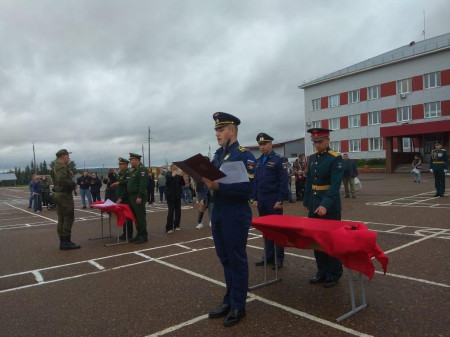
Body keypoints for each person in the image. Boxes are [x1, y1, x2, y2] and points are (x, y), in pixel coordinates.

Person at [201, 112, 255, 327]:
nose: (217, 133)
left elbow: (248, 188)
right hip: (219, 211)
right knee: (225, 259)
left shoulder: (244, 155)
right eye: (216, 130)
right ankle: (229, 300)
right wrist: (206, 197)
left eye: (221, 129)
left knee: (236, 259)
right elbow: (211, 180)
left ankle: (238, 305)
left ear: (232, 131)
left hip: (236, 213)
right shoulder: (218, 154)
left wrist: (218, 187)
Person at [303, 128, 344, 288]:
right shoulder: (312, 158)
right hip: (314, 204)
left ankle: (334, 273)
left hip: (330, 207)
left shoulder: (335, 158)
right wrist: (307, 202)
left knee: (330, 242)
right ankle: (322, 271)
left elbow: (335, 185)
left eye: (320, 141)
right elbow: (309, 181)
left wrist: (325, 205)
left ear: (328, 140)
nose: (317, 145)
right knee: (316, 241)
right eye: (315, 142)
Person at [252, 133, 288, 270]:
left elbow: (283, 181)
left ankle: (279, 258)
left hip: (274, 200)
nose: (262, 147)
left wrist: (280, 199)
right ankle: (268, 256)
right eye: (260, 145)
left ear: (271, 144)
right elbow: (256, 181)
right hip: (262, 200)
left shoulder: (279, 160)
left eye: (265, 144)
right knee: (266, 230)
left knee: (277, 230)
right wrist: (255, 198)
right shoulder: (258, 161)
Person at [51, 149, 80, 250]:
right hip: (64, 195)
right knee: (68, 217)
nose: (69, 157)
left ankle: (63, 241)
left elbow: (57, 179)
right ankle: (66, 242)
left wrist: (68, 172)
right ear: (63, 156)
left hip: (59, 194)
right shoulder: (61, 167)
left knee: (62, 219)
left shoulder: (56, 166)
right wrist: (73, 184)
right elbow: (61, 180)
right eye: (67, 155)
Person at [126, 153, 148, 243]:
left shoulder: (142, 170)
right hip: (132, 196)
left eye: (131, 160)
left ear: (137, 160)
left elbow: (143, 185)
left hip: (138, 196)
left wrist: (139, 196)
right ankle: (139, 234)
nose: (130, 162)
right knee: (136, 217)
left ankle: (143, 236)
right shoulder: (134, 170)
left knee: (140, 217)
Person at [116, 157, 134, 240]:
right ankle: (125, 232)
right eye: (119, 164)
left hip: (126, 198)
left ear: (126, 165)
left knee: (128, 217)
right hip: (120, 197)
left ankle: (129, 234)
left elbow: (127, 187)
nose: (119, 166)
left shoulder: (128, 173)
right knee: (123, 216)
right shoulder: (120, 173)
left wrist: (121, 198)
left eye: (121, 164)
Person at [165, 164, 184, 233]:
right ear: (171, 168)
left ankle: (177, 225)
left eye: (176, 168)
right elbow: (167, 183)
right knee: (171, 211)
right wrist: (172, 177)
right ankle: (169, 228)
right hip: (170, 195)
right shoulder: (168, 174)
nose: (176, 170)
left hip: (177, 195)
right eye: (174, 168)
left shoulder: (179, 175)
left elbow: (183, 184)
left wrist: (181, 177)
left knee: (178, 210)